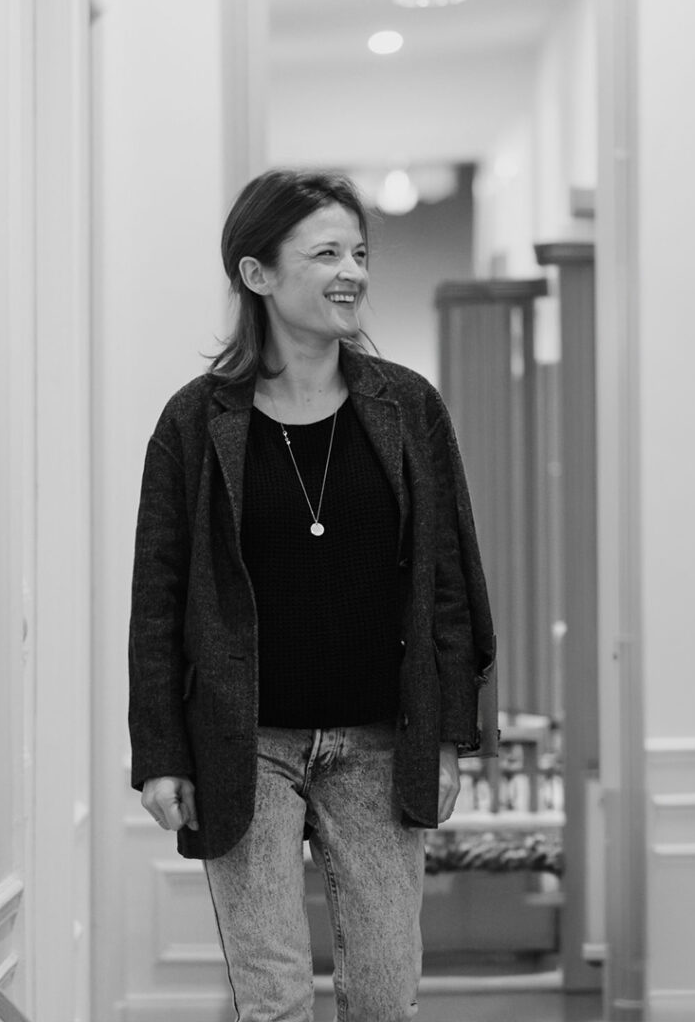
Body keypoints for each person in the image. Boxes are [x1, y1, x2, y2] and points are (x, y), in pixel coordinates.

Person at [128, 168, 497, 1022]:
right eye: (326, 254)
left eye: (360, 254)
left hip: (381, 742)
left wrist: (450, 735)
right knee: (275, 1000)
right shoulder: (194, 422)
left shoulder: (408, 408)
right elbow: (159, 599)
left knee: (385, 996)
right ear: (257, 273)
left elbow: (448, 582)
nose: (352, 273)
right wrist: (160, 753)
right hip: (244, 745)